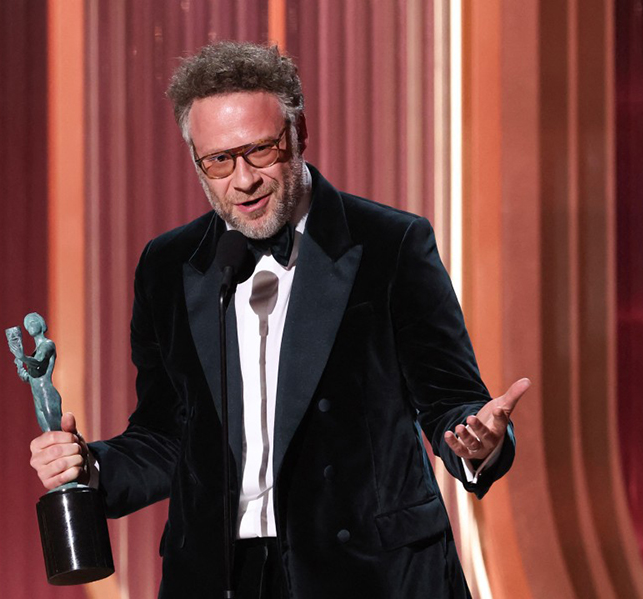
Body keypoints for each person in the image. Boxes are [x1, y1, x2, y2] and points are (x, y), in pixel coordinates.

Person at [28, 41, 529, 599]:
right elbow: (168, 436)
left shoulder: (392, 245)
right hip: (217, 575)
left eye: (260, 151)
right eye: (218, 160)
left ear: (299, 134)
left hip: (371, 573)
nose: (242, 180)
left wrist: (476, 442)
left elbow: (449, 403)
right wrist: (88, 467)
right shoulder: (168, 265)